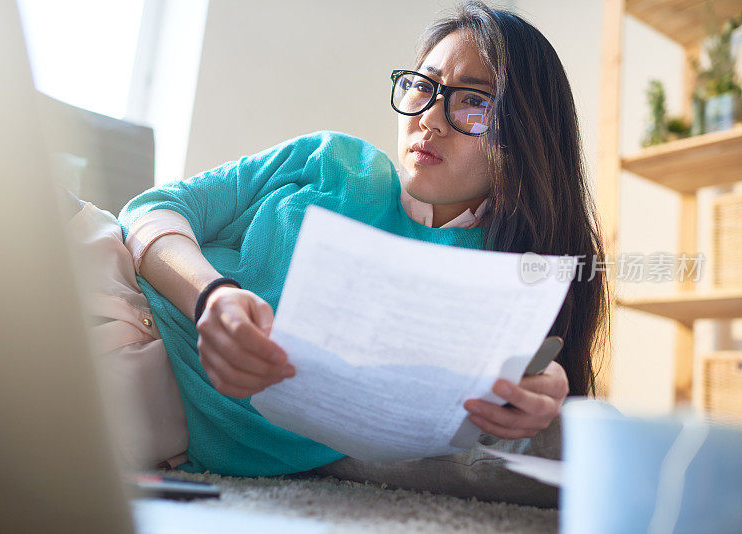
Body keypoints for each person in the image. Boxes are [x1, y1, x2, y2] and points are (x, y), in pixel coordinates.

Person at [117, 0, 610, 505]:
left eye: (473, 102)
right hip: (115, 288)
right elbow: (152, 208)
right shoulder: (331, 162)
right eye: (423, 85)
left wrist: (542, 390)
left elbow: (510, 416)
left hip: (146, 415)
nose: (431, 119)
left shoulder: (505, 279)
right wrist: (212, 297)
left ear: (528, 132)